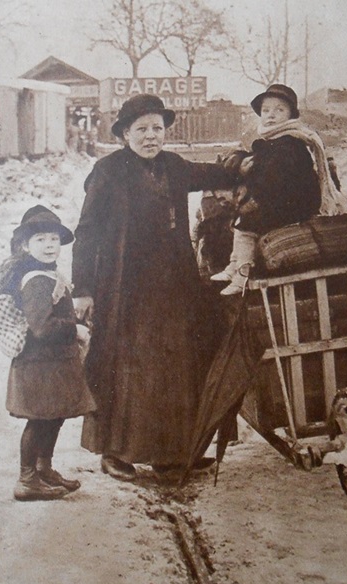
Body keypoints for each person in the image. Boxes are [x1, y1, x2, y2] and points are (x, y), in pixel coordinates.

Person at [73, 94, 240, 482]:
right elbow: (86, 233)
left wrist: (247, 163)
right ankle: (116, 453)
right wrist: (83, 288)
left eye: (158, 129)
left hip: (173, 285)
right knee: (127, 370)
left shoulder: (173, 166)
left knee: (175, 368)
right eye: (142, 129)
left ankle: (172, 453)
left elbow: (213, 174)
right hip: (124, 288)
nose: (151, 137)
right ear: (125, 134)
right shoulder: (108, 171)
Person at [0, 206, 97, 501]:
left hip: (52, 365)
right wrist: (73, 329)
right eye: (40, 240)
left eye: (53, 239)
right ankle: (27, 480)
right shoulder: (36, 279)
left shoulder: (48, 273)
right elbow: (41, 328)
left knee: (53, 417)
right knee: (39, 420)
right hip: (38, 366)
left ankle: (43, 469)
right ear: (26, 245)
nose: (49, 245)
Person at [209, 83, 347, 294]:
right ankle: (233, 265)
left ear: (291, 115)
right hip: (284, 199)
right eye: (266, 110)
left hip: (296, 204)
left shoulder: (290, 142)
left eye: (279, 110)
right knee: (242, 219)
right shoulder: (274, 139)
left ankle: (241, 277)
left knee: (247, 225)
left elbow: (271, 178)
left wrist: (252, 196)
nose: (271, 115)